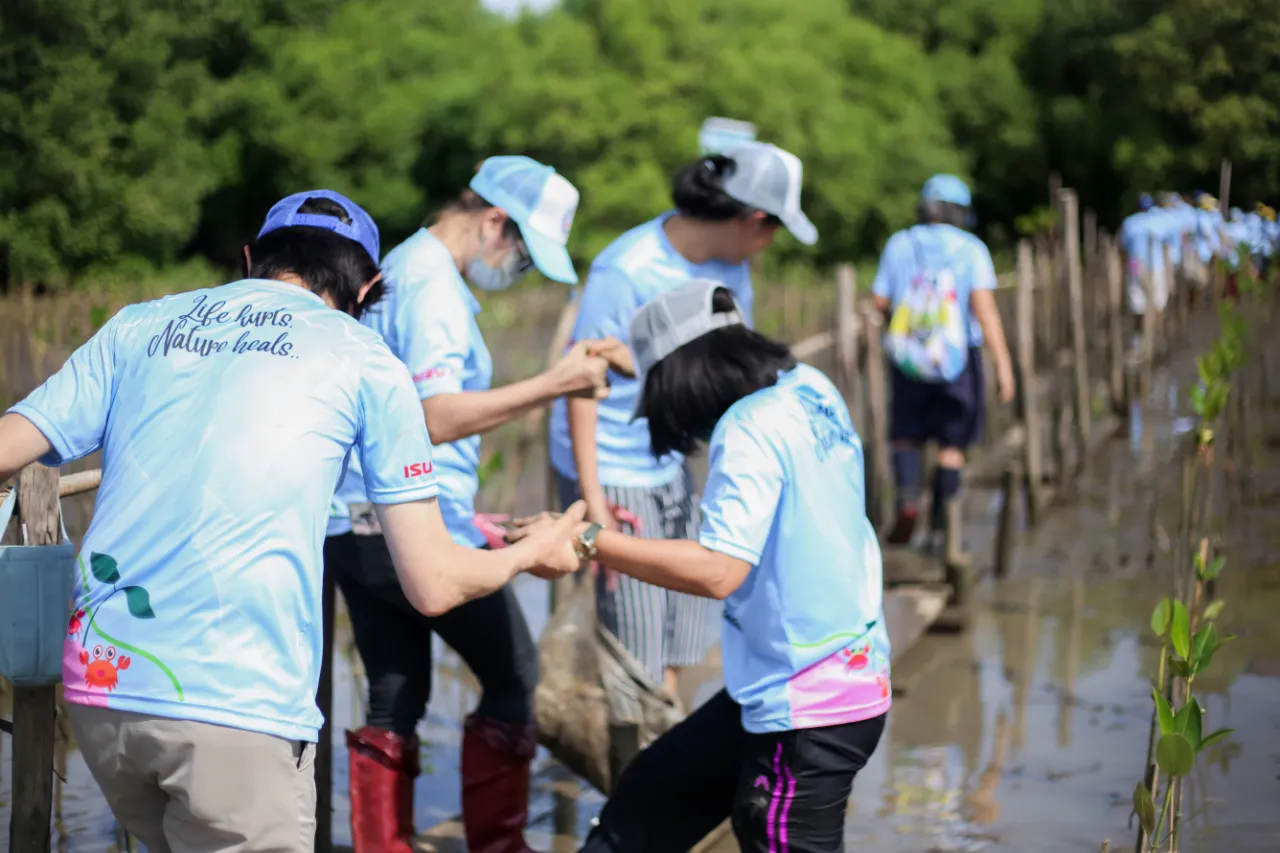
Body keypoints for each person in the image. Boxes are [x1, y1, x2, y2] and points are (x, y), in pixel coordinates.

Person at [0, 191, 585, 853]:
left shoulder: (139, 325)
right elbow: (433, 584)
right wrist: (529, 552)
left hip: (101, 692)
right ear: (367, 288)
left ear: (252, 259)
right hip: (235, 705)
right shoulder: (366, 360)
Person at [513, 280, 889, 853]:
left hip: (808, 705)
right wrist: (641, 359)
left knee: (769, 830)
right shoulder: (808, 387)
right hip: (821, 671)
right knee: (650, 797)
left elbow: (719, 571)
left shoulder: (746, 428)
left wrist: (589, 538)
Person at [326, 156, 614, 853]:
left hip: (355, 524)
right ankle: (498, 846)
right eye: (522, 252)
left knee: (396, 691)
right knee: (515, 677)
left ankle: (382, 844)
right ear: (493, 221)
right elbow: (435, 416)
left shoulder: (404, 265)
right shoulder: (432, 290)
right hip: (408, 527)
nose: (517, 268)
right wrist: (556, 382)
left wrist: (461, 512)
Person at [547, 142, 818, 693]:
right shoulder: (626, 268)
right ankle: (638, 760)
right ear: (753, 220)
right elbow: (580, 379)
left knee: (681, 632)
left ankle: (663, 736)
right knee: (637, 646)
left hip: (672, 456)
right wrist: (595, 504)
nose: (770, 245)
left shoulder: (733, 271)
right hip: (615, 464)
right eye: (774, 231)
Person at [873, 174, 1015, 548]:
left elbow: (880, 302)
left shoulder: (899, 244)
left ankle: (907, 500)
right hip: (957, 358)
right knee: (951, 445)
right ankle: (939, 527)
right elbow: (984, 310)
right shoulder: (971, 249)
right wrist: (1003, 366)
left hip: (909, 355)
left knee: (906, 435)